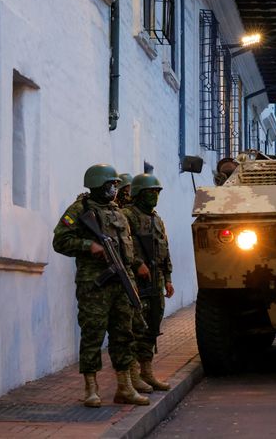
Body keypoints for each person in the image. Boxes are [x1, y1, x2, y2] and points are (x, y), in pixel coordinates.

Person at [52, 164, 150, 408]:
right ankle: (91, 388)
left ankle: (125, 386)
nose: (114, 189)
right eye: (110, 185)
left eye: (116, 185)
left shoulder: (118, 213)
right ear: (97, 184)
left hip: (121, 282)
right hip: (94, 285)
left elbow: (128, 249)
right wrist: (89, 246)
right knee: (93, 334)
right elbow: (60, 241)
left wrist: (133, 276)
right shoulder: (80, 210)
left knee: (123, 334)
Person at [123, 173, 175, 392]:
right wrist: (136, 264)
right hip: (136, 281)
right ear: (138, 194)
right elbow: (122, 246)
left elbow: (165, 250)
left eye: (157, 192)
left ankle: (147, 372)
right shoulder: (127, 215)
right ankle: (133, 375)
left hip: (156, 280)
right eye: (150, 192)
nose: (155, 196)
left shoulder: (157, 219)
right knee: (136, 327)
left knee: (153, 326)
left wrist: (169, 279)